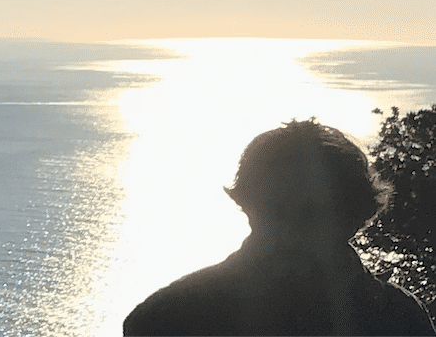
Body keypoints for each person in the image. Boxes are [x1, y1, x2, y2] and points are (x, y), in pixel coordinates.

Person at [124, 119, 434, 336]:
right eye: (278, 210)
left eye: (313, 213)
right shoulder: (399, 319)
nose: (292, 230)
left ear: (354, 218)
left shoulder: (167, 316)